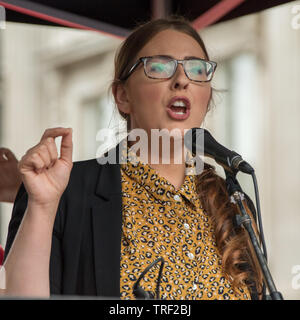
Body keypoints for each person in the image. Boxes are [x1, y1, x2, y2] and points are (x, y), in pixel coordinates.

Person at [0, 16, 263, 300]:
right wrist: (41, 206)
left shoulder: (234, 203)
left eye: (196, 69)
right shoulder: (63, 192)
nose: (181, 80)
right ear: (122, 96)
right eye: (160, 67)